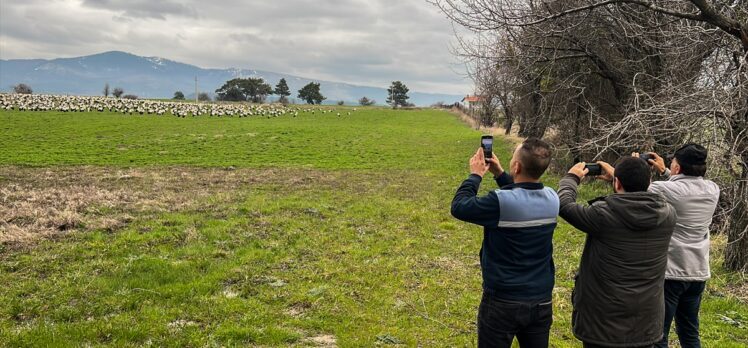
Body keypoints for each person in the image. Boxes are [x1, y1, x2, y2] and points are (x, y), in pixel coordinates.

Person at [558, 157, 677, 348]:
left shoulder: (602, 215)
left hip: (602, 322)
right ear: (649, 183)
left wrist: (571, 178)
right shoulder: (668, 215)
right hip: (646, 319)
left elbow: (564, 205)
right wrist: (619, 177)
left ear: (617, 183)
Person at [451, 138, 558, 348]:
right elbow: (522, 194)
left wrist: (475, 175)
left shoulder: (499, 202)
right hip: (541, 300)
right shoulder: (553, 199)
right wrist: (500, 174)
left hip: (503, 301)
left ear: (516, 166)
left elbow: (460, 207)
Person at [636, 144, 720, 348]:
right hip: (698, 272)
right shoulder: (712, 189)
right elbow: (682, 188)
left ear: (678, 168)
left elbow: (634, 185)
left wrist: (638, 164)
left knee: (658, 335)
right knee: (690, 332)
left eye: (673, 162)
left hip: (671, 273)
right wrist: (665, 171)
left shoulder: (662, 189)